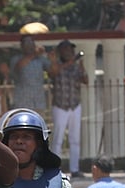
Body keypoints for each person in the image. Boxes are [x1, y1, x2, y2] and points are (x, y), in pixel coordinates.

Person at [48, 40, 88, 176]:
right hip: (60, 105)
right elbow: (53, 73)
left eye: (70, 50)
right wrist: (69, 63)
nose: (69, 52)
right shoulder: (56, 65)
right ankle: (53, 168)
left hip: (75, 104)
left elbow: (86, 80)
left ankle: (75, 169)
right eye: (65, 50)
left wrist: (81, 65)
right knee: (58, 139)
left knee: (75, 139)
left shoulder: (76, 67)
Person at [11, 34, 49, 114]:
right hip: (22, 102)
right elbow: (19, 67)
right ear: (22, 46)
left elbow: (52, 71)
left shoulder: (41, 59)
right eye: (27, 43)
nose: (29, 46)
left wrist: (50, 56)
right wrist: (34, 54)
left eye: (31, 43)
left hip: (38, 102)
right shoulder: (16, 59)